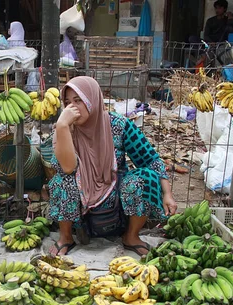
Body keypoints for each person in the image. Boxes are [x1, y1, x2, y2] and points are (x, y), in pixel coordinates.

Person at [48, 77, 177, 256]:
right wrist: (62, 126)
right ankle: (66, 237)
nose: (73, 108)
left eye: (79, 101)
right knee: (61, 182)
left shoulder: (118, 125)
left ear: (92, 100)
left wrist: (168, 194)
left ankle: (131, 236)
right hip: (81, 209)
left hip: (116, 202)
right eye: (68, 103)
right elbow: (68, 168)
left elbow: (151, 160)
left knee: (145, 177)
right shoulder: (64, 129)